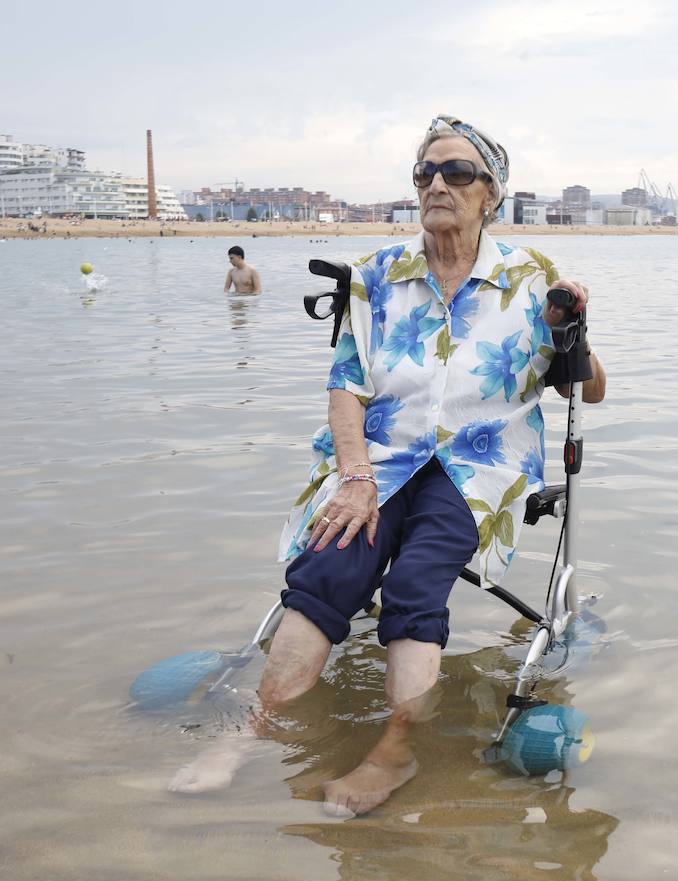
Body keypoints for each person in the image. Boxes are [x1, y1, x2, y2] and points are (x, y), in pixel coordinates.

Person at [170, 115, 607, 815]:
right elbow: (346, 383)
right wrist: (355, 476)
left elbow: (587, 388)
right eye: (425, 172)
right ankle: (247, 735)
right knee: (326, 568)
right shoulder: (378, 275)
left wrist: (567, 333)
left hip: (477, 465)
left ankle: (396, 750)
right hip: (381, 457)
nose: (437, 183)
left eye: (457, 172)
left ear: (491, 193)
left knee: (414, 582)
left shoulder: (532, 280)